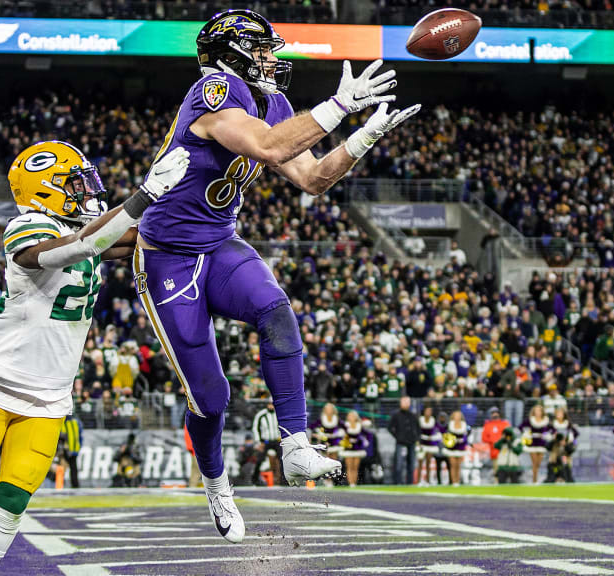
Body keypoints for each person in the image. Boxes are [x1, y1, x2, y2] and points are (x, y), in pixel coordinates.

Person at [131, 8, 418, 543]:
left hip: (218, 244)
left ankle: (295, 447)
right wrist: (338, 107)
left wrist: (364, 136)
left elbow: (311, 177)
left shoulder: (275, 101)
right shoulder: (211, 91)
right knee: (211, 397)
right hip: (168, 256)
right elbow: (266, 147)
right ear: (230, 52)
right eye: (261, 49)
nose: (271, 58)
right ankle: (217, 485)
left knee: (277, 311)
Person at [0, 139, 190, 576]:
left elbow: (140, 241)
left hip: (51, 397)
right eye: (74, 184)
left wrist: (195, 206)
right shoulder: (27, 225)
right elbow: (69, 250)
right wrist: (143, 196)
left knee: (14, 502)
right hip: (0, 384)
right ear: (45, 189)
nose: (87, 192)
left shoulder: (88, 234)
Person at [387, 396, 420, 484]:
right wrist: (398, 436)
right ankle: (398, 482)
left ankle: (410, 482)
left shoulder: (413, 415)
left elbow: (418, 428)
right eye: (404, 402)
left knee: (411, 464)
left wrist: (416, 438)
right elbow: (390, 428)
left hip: (411, 442)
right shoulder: (396, 415)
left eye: (407, 402)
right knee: (399, 464)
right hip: (401, 442)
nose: (405, 404)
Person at [252, 402, 282, 486]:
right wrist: (259, 442)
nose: (271, 406)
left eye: (272, 404)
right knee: (260, 459)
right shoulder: (261, 414)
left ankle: (284, 480)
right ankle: (255, 479)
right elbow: (255, 428)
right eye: (269, 404)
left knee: (282, 459)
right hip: (265, 441)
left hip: (277, 440)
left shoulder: (278, 413)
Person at [521, 404, 553, 484]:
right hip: (533, 443)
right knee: (534, 462)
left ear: (542, 412)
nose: (538, 412)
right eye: (536, 410)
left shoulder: (546, 420)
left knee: (538, 463)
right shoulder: (530, 420)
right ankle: (534, 480)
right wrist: (528, 434)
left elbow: (552, 429)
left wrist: (546, 435)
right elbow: (521, 427)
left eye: (539, 410)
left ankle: (535, 478)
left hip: (542, 443)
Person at [480, 407, 511, 484]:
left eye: (496, 413)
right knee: (496, 467)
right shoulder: (488, 425)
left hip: (504, 449)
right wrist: (493, 441)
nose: (495, 415)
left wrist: (504, 441)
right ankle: (497, 482)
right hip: (494, 451)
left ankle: (506, 481)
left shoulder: (505, 424)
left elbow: (509, 435)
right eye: (493, 413)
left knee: (505, 466)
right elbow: (484, 438)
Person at [340, 411, 368, 487]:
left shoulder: (360, 426)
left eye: (353, 416)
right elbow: (341, 436)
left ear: (356, 417)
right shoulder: (345, 426)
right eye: (350, 416)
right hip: (348, 448)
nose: (352, 417)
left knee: (355, 467)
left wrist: (362, 441)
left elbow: (367, 435)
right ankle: (350, 483)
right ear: (348, 417)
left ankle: (354, 483)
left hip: (357, 448)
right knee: (349, 466)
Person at [443, 410, 470, 486]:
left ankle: (457, 481)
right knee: (453, 464)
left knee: (458, 465)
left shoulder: (464, 425)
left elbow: (466, 436)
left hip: (460, 447)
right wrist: (451, 440)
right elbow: (446, 435)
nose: (457, 417)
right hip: (452, 447)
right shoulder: (449, 425)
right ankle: (453, 482)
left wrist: (462, 440)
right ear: (453, 416)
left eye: (458, 415)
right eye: (456, 415)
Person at [551, 407, 579, 483]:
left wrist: (568, 440)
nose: (559, 415)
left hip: (565, 449)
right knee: (555, 462)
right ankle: (557, 478)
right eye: (558, 413)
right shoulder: (552, 424)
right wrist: (554, 437)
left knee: (565, 463)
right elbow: (546, 433)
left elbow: (575, 433)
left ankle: (567, 478)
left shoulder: (568, 424)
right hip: (555, 448)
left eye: (561, 413)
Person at [417, 405, 439, 486]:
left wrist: (432, 437)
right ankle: (419, 481)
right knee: (420, 462)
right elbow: (417, 431)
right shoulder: (420, 420)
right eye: (427, 411)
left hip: (430, 444)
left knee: (428, 463)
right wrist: (418, 441)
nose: (428, 412)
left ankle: (428, 481)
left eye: (430, 411)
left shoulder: (433, 421)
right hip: (422, 443)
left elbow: (437, 431)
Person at [60, 414, 83, 489]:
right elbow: (80, 436)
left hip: (67, 449)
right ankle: (74, 485)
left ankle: (60, 485)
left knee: (65, 467)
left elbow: (61, 436)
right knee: (73, 468)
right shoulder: (76, 422)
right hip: (73, 448)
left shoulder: (64, 422)